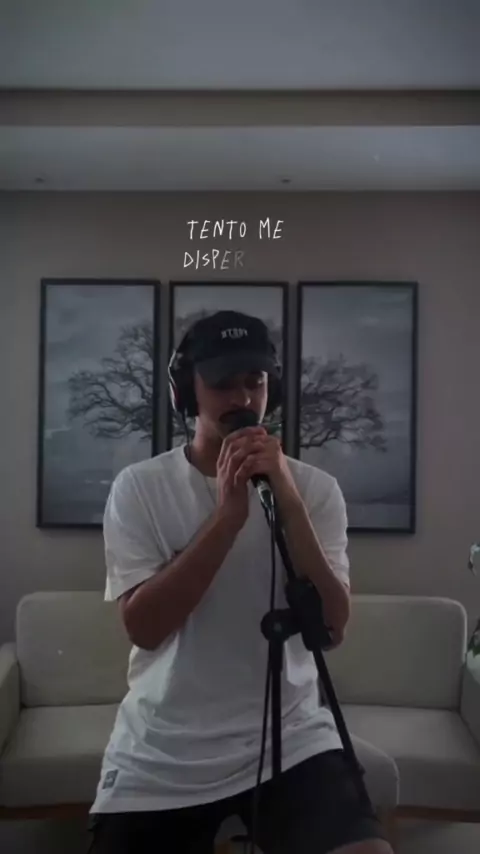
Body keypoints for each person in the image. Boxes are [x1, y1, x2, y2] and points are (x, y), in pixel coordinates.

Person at [88, 310, 393, 854]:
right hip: (163, 749)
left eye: (255, 381)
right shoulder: (139, 489)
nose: (243, 398)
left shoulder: (316, 490)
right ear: (188, 393)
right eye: (223, 383)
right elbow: (144, 628)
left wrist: (289, 501)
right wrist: (228, 517)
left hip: (292, 738)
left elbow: (330, 629)